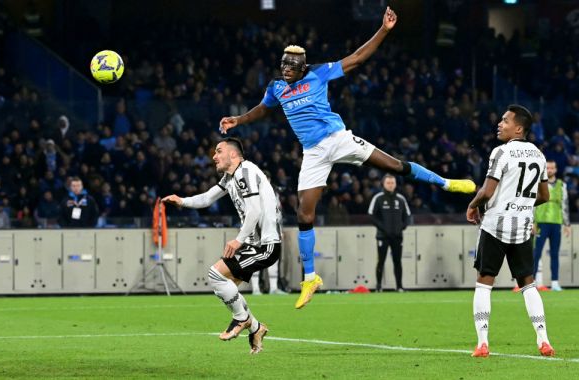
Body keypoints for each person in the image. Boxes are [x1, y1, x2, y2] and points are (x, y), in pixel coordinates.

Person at [219, 7, 476, 309]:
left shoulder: (318, 73)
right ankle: (311, 277)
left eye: (291, 66)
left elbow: (356, 59)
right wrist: (239, 119)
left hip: (338, 139)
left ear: (303, 67)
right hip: (313, 153)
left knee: (394, 165)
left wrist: (384, 30)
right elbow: (263, 108)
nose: (286, 69)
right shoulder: (276, 87)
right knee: (304, 215)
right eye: (283, 65)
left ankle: (446, 184)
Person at [162, 137, 281, 354]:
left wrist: (238, 239)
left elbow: (254, 210)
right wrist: (182, 200)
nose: (214, 156)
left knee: (216, 274)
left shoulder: (246, 171)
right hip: (254, 244)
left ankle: (242, 319)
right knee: (223, 285)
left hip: (265, 245)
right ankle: (255, 327)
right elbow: (207, 198)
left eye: (218, 151)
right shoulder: (231, 177)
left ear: (233, 154)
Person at [466, 105, 554, 358]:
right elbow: (544, 195)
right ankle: (543, 340)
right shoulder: (538, 155)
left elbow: (488, 191)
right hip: (524, 227)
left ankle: (483, 343)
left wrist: (473, 205)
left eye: (505, 121)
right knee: (528, 283)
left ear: (519, 128)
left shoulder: (501, 152)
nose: (499, 124)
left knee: (485, 281)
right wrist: (523, 204)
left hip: (495, 225)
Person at [368, 174, 410, 292]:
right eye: (388, 183)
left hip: (397, 236)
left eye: (392, 183)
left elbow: (407, 215)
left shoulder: (401, 198)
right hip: (382, 236)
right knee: (381, 261)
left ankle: (399, 286)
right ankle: (378, 287)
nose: (390, 185)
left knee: (397, 261)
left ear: (395, 184)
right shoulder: (378, 198)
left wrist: (401, 227)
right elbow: (371, 215)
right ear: (384, 184)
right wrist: (382, 228)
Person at [532, 159, 570, 291]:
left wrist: (567, 224)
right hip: (541, 222)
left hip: (556, 223)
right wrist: (532, 222)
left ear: (556, 169)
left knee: (555, 253)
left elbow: (564, 205)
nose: (550, 170)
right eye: (547, 168)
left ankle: (554, 282)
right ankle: (532, 283)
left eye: (552, 168)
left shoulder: (562, 185)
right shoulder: (538, 184)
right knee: (536, 253)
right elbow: (532, 204)